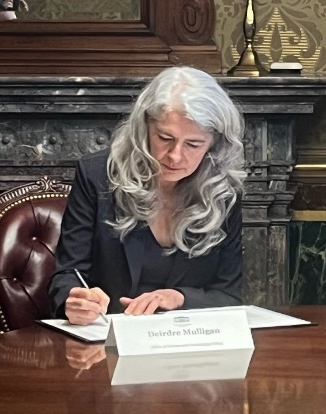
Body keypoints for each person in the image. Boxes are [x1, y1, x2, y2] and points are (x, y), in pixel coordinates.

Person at [49, 66, 247, 325]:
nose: (175, 156)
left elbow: (229, 294)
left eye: (193, 144)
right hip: (106, 337)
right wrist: (73, 301)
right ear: (144, 129)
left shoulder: (222, 189)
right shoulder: (97, 176)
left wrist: (179, 298)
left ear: (215, 143)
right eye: (165, 138)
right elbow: (68, 274)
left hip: (186, 343)